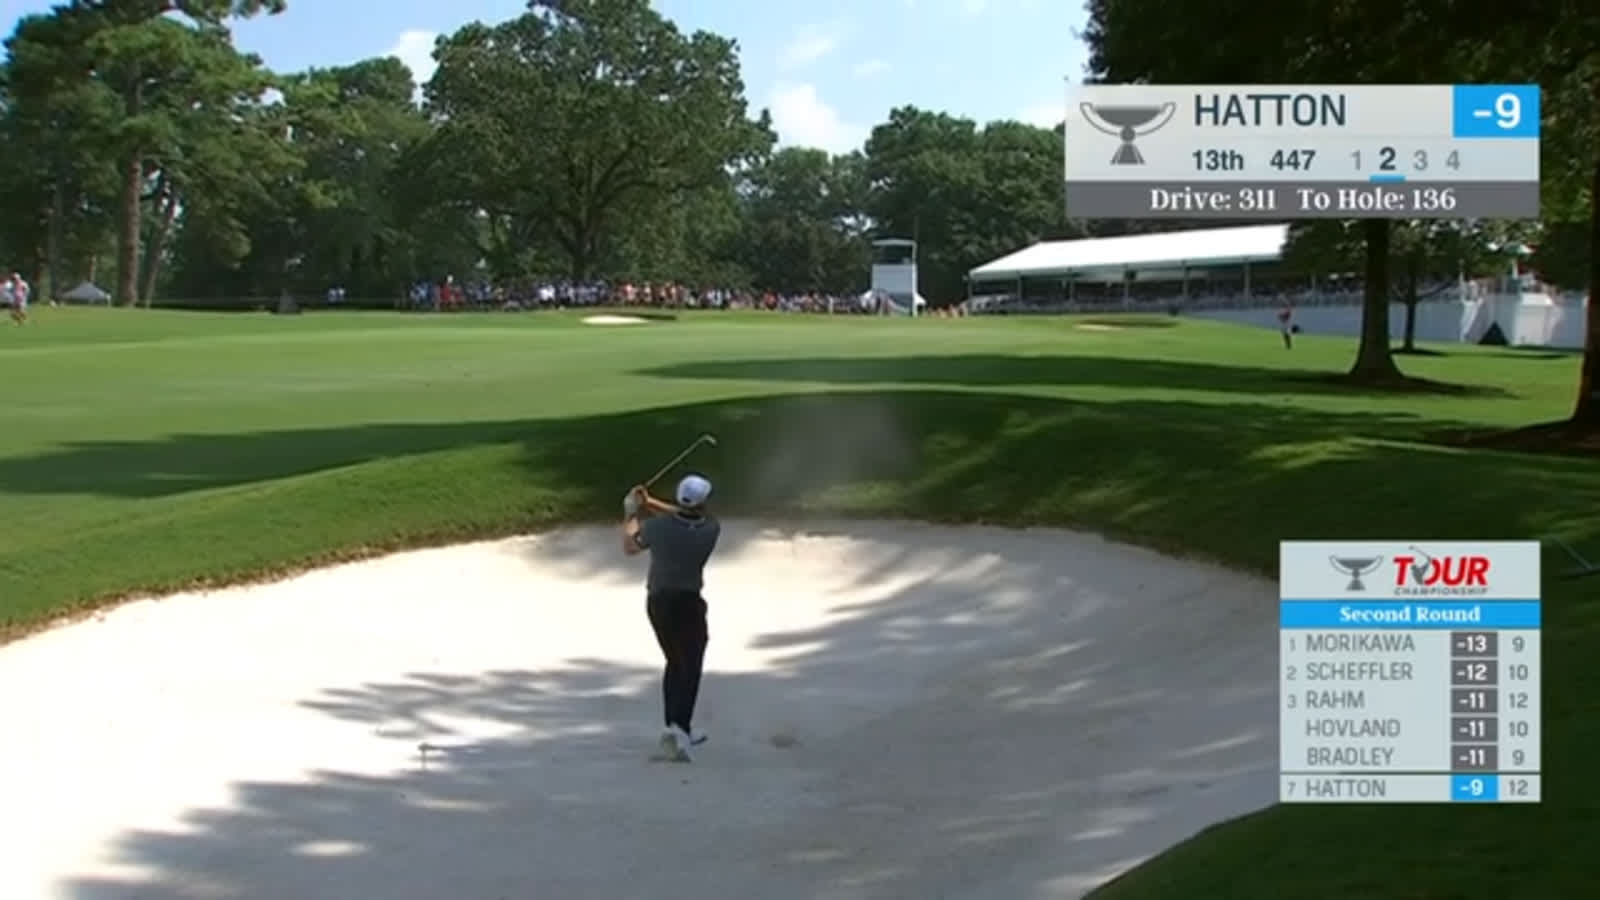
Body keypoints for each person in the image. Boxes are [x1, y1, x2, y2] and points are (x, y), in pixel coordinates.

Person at [621, 473, 721, 762]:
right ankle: (680, 730)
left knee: (675, 661)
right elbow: (686, 516)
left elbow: (630, 546)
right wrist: (649, 503)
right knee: (690, 666)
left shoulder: (656, 528)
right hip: (688, 603)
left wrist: (632, 512)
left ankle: (675, 727)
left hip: (658, 603)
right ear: (703, 504)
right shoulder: (711, 529)